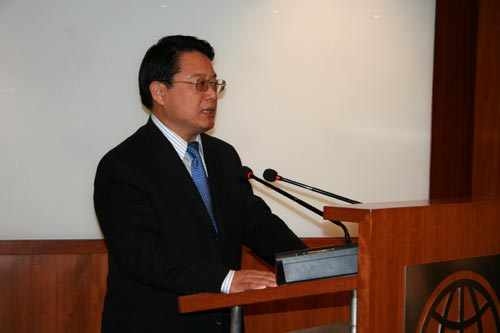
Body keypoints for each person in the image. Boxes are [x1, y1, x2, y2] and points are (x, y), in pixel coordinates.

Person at [93, 35, 306, 333]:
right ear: (159, 92)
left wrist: (309, 265)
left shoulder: (223, 156)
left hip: (222, 324)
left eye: (214, 84)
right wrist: (226, 280)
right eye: (199, 84)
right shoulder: (123, 165)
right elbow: (140, 254)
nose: (211, 95)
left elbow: (258, 225)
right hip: (156, 324)